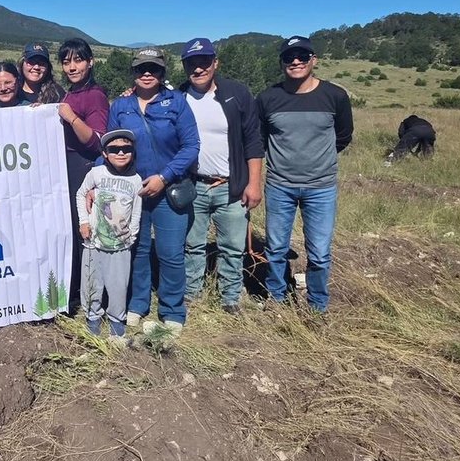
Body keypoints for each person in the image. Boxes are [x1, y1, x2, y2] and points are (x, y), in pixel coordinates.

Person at [107, 47, 200, 336]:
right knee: (137, 250)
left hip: (168, 188)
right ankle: (137, 304)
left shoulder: (177, 103)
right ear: (133, 73)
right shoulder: (120, 107)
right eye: (141, 69)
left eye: (154, 69)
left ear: (162, 73)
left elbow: (191, 146)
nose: (147, 73)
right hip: (132, 191)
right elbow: (110, 148)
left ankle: (172, 310)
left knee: (170, 252)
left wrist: (164, 176)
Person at [258, 36, 353, 313]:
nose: (296, 62)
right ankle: (276, 299)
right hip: (279, 186)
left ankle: (317, 306)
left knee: (320, 254)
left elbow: (343, 136)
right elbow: (260, 140)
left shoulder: (335, 96)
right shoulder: (268, 98)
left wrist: (318, 161)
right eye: (289, 57)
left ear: (314, 60)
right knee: (275, 249)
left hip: (321, 187)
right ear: (282, 63)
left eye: (302, 56)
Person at [178, 38, 264, 314]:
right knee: (193, 244)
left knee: (232, 246)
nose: (198, 68)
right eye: (192, 63)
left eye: (204, 62)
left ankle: (230, 298)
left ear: (215, 63)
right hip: (195, 184)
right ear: (185, 67)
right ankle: (192, 294)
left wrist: (254, 183)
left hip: (232, 185)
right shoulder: (179, 96)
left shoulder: (236, 93)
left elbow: (253, 141)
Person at [55, 38, 109, 315]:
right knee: (71, 229)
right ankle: (76, 290)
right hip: (67, 165)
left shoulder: (94, 95)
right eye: (66, 62)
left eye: (77, 60)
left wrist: (71, 118)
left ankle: (90, 296)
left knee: (84, 229)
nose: (72, 67)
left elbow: (97, 141)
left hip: (83, 166)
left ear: (90, 62)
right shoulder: (70, 93)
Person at [76, 129, 144, 344]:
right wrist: (84, 222)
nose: (121, 153)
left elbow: (136, 210)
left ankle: (117, 324)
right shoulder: (96, 174)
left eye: (126, 149)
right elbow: (80, 194)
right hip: (93, 242)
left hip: (120, 245)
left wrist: (131, 236)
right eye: (114, 149)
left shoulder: (135, 180)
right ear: (105, 153)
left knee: (118, 285)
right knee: (92, 283)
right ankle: (93, 320)